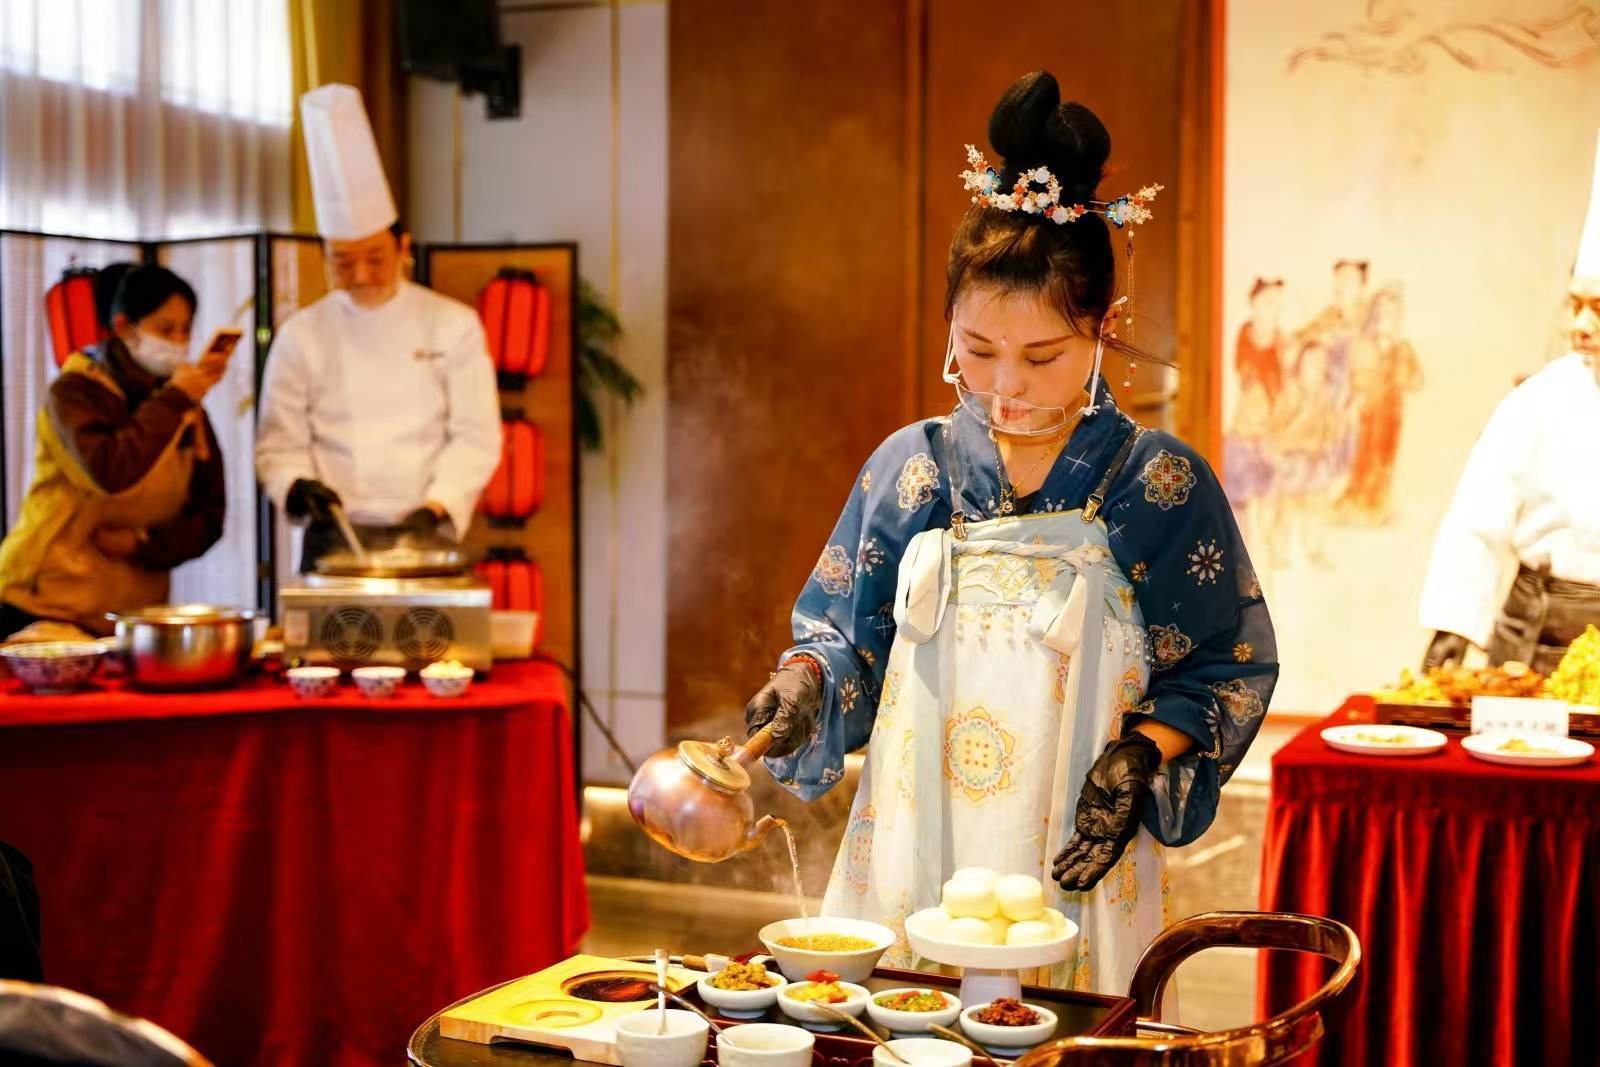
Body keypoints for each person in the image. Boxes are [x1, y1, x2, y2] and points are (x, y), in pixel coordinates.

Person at [743, 73, 1277, 994]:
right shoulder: (913, 468)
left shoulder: (1157, 484)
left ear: (1104, 330)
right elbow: (845, 639)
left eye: (1042, 356)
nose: (1005, 386)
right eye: (978, 349)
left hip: (1073, 840)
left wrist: (1143, 752)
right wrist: (804, 683)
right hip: (912, 834)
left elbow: (1225, 663)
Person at [255, 84, 500, 572]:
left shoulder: (453, 325)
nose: (361, 275)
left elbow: (476, 435)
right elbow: (279, 443)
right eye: (343, 262)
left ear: (403, 247)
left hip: (426, 529)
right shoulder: (302, 334)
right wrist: (297, 485)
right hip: (334, 536)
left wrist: (438, 505)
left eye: (375, 257)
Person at [1419, 132, 1600, 673]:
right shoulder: (1540, 400)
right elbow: (1477, 520)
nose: (1580, 326)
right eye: (1574, 305)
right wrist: (1452, 627)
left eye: (1598, 308)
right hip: (1537, 636)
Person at [0, 265, 226, 639]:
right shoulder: (74, 393)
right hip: (45, 603)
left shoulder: (185, 406)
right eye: (165, 329)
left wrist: (144, 545)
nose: (178, 341)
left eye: (185, 330)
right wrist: (174, 400)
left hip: (131, 615)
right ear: (123, 327)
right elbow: (109, 472)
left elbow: (209, 515)